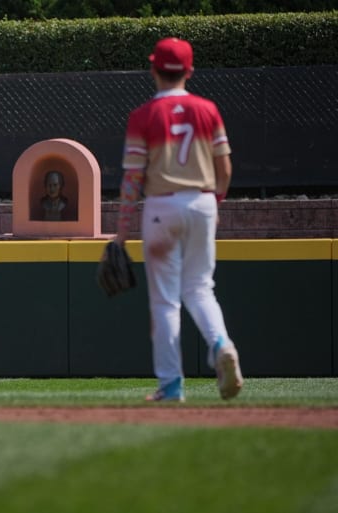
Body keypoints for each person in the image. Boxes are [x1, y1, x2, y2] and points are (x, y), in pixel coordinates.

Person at [115, 37, 243, 402]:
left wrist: (121, 232)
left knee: (165, 302)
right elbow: (225, 168)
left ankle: (171, 385)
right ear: (189, 71)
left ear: (153, 70)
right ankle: (221, 343)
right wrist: (214, 204)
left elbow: (133, 178)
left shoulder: (143, 116)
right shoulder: (208, 110)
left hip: (162, 206)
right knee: (200, 288)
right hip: (202, 202)